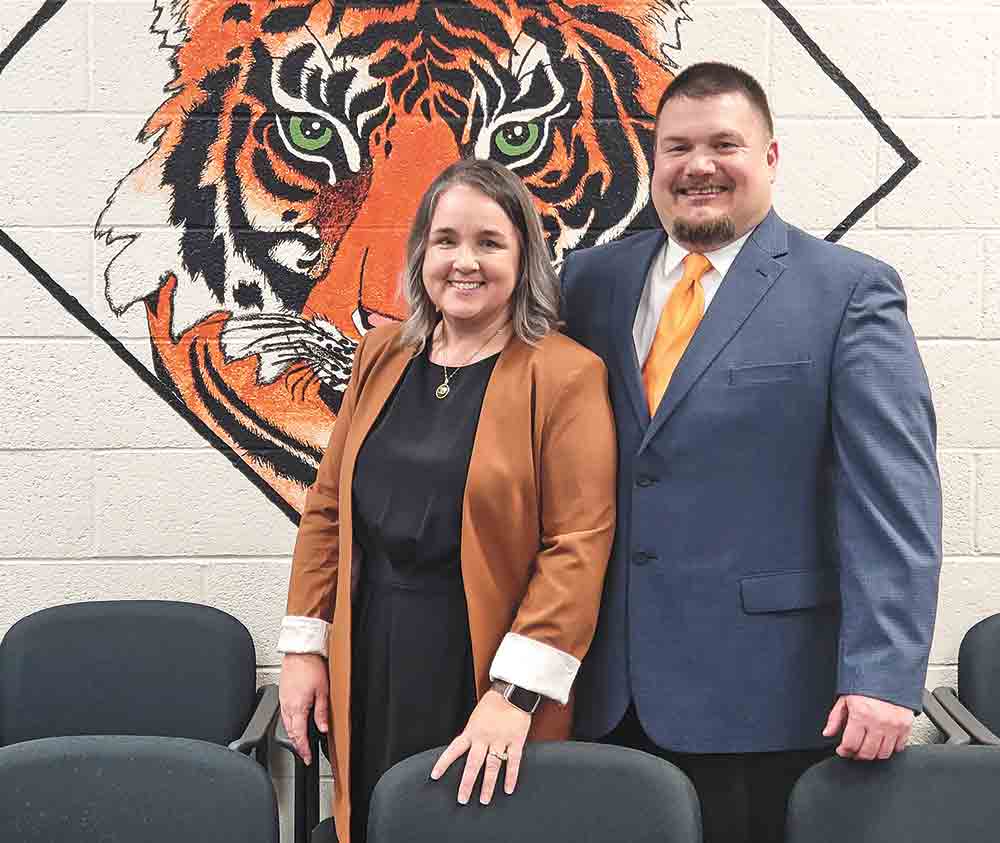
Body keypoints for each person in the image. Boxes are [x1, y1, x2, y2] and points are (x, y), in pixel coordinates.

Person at [561, 62, 942, 843]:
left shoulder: (849, 292)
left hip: (768, 698)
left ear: (770, 158)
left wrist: (883, 677)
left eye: (724, 144)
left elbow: (894, 501)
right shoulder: (589, 282)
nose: (698, 165)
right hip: (605, 694)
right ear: (654, 161)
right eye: (677, 147)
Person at [277, 158, 617, 843]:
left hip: (482, 660)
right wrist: (304, 647)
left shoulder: (566, 374)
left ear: (524, 260)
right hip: (370, 646)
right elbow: (327, 509)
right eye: (446, 240)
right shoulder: (380, 354)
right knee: (376, 817)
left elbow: (577, 546)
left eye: (489, 242)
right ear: (421, 253)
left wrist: (513, 695)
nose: (465, 261)